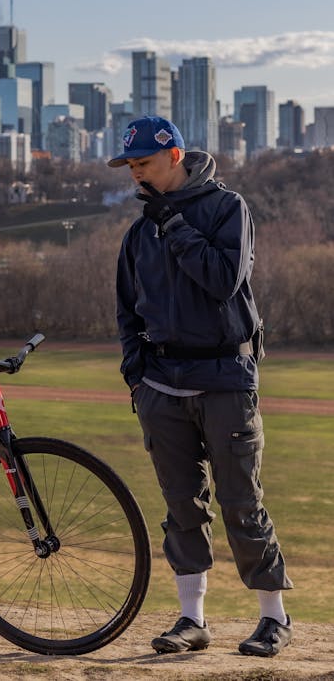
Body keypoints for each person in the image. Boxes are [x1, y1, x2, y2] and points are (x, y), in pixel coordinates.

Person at [109, 115, 293, 658]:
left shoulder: (226, 209)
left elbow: (221, 279)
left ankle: (273, 618)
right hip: (162, 388)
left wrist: (175, 224)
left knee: (242, 503)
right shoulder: (139, 231)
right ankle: (192, 619)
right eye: (130, 167)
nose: (135, 176)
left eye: (142, 163)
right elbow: (126, 310)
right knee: (181, 508)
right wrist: (137, 377)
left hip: (224, 379)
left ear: (174, 156)